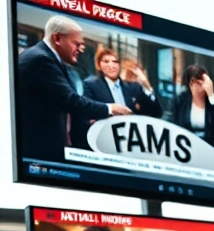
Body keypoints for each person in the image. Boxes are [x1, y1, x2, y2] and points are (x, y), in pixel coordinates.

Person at [16, 16, 133, 162]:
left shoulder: (47, 59)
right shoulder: (40, 59)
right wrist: (110, 108)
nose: (81, 49)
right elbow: (70, 100)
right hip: (38, 154)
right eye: (76, 44)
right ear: (57, 38)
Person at [82, 46, 160, 118]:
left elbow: (156, 113)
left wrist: (147, 86)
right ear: (99, 65)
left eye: (115, 61)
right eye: (106, 62)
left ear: (119, 65)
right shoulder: (91, 85)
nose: (111, 65)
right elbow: (86, 112)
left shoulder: (133, 88)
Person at [171, 64, 214, 155]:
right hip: (186, 149)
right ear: (191, 83)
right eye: (200, 82)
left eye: (206, 82)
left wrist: (211, 95)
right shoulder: (181, 100)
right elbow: (173, 122)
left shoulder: (212, 101)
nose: (204, 86)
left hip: (210, 150)